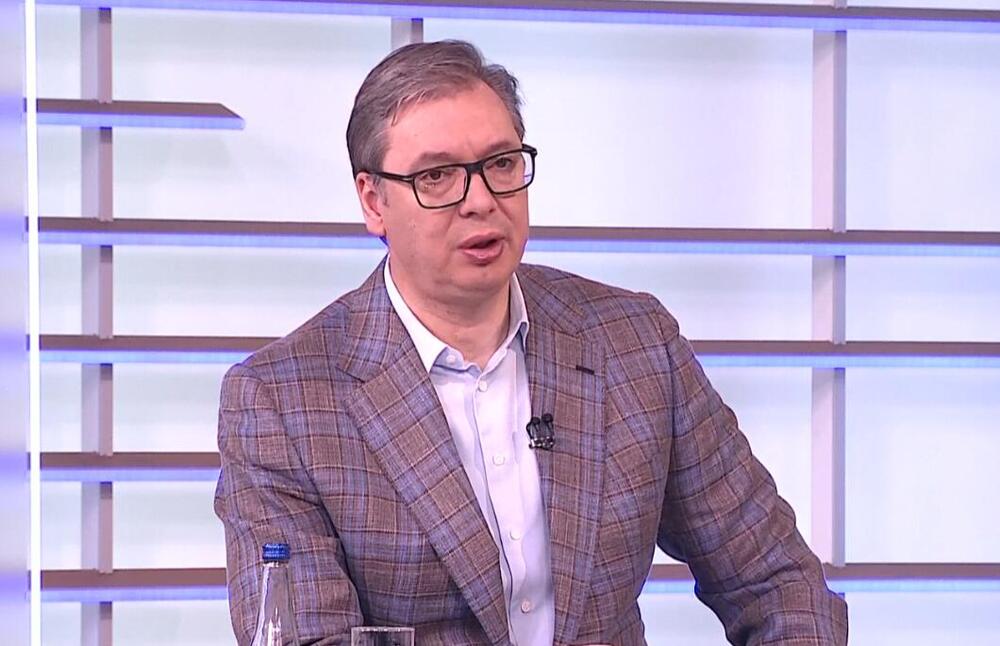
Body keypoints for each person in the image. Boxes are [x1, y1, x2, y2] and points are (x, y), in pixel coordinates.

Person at [215, 40, 848, 646]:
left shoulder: (634, 344)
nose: (481, 201)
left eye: (501, 164)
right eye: (438, 176)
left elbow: (778, 581)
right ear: (373, 201)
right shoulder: (282, 402)